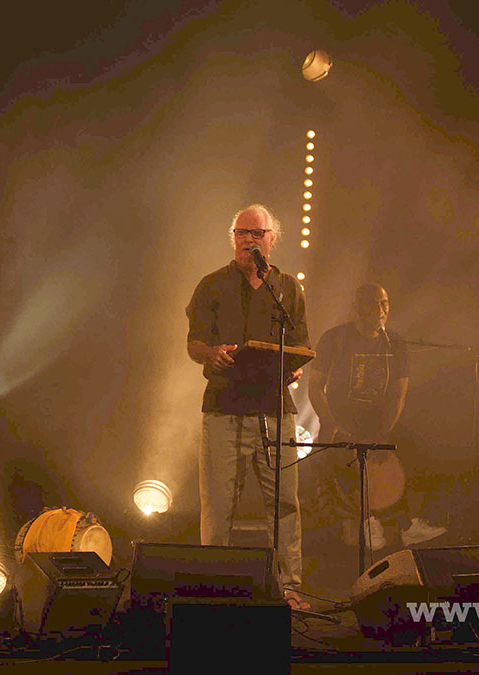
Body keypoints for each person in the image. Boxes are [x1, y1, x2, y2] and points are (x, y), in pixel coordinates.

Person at [186, 204, 310, 609]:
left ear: (272, 239)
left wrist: (292, 369)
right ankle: (212, 590)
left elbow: (301, 344)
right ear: (232, 237)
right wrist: (212, 354)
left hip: (274, 410)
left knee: (284, 503)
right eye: (242, 232)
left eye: (257, 233)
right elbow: (193, 343)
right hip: (224, 408)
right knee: (219, 505)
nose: (248, 239)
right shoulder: (211, 285)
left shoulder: (288, 289)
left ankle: (289, 587)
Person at [308, 284, 445, 551]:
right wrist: (332, 422)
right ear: (357, 308)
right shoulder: (335, 339)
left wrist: (383, 432)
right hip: (341, 420)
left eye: (385, 303)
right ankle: (363, 521)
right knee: (327, 459)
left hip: (379, 422)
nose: (381, 311)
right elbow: (315, 387)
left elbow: (398, 395)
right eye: (373, 304)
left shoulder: (396, 344)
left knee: (419, 447)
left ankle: (410, 523)